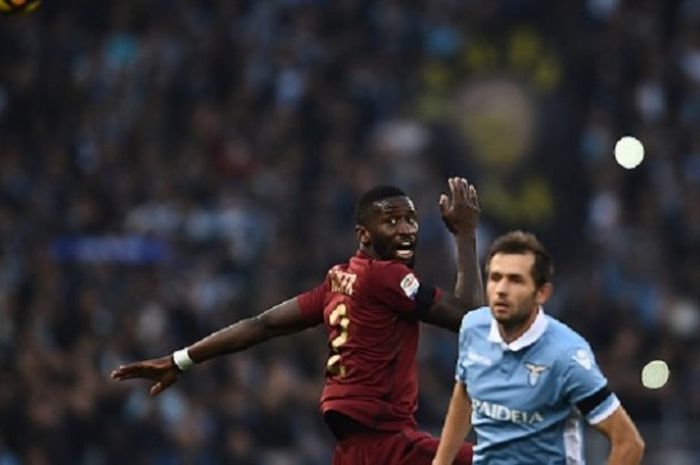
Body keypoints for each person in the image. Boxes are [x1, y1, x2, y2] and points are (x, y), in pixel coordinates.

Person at [112, 177, 483, 465]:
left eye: (410, 219)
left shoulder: (338, 280)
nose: (405, 229)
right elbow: (469, 317)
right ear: (364, 234)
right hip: (387, 445)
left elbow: (262, 324)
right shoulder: (385, 278)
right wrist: (465, 234)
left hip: (353, 452)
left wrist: (181, 359)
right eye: (391, 220)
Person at [432, 231, 645, 465]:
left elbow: (629, 443)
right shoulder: (474, 328)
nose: (501, 289)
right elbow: (465, 392)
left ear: (542, 293)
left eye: (515, 280)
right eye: (495, 277)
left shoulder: (567, 355)